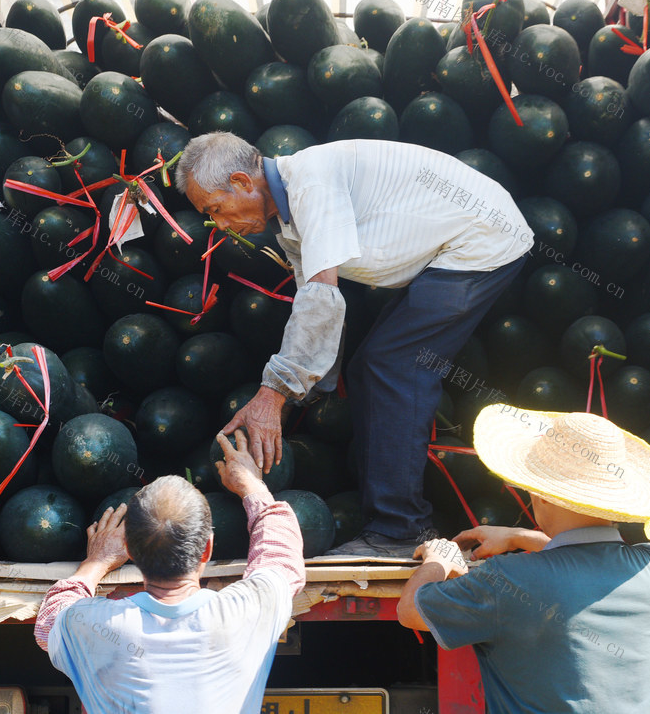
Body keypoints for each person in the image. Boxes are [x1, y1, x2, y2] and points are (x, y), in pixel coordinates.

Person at [175, 133, 533, 557]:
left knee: (395, 366)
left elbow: (321, 297)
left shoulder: (311, 183)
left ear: (241, 182)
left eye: (215, 209)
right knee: (370, 366)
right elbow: (318, 308)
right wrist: (292, 396)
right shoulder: (289, 221)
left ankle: (400, 531)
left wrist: (272, 396)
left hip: (482, 238)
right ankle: (393, 524)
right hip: (450, 247)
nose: (219, 225)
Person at [397, 404, 650, 714]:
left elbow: (410, 612)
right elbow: (585, 563)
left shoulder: (509, 580)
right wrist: (519, 537)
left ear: (540, 493)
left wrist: (438, 559)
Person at [34, 430, 306, 714]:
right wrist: (252, 485)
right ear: (207, 549)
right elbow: (281, 557)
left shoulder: (96, 626)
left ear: (129, 550)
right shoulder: (245, 613)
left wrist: (97, 562)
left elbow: (48, 624)